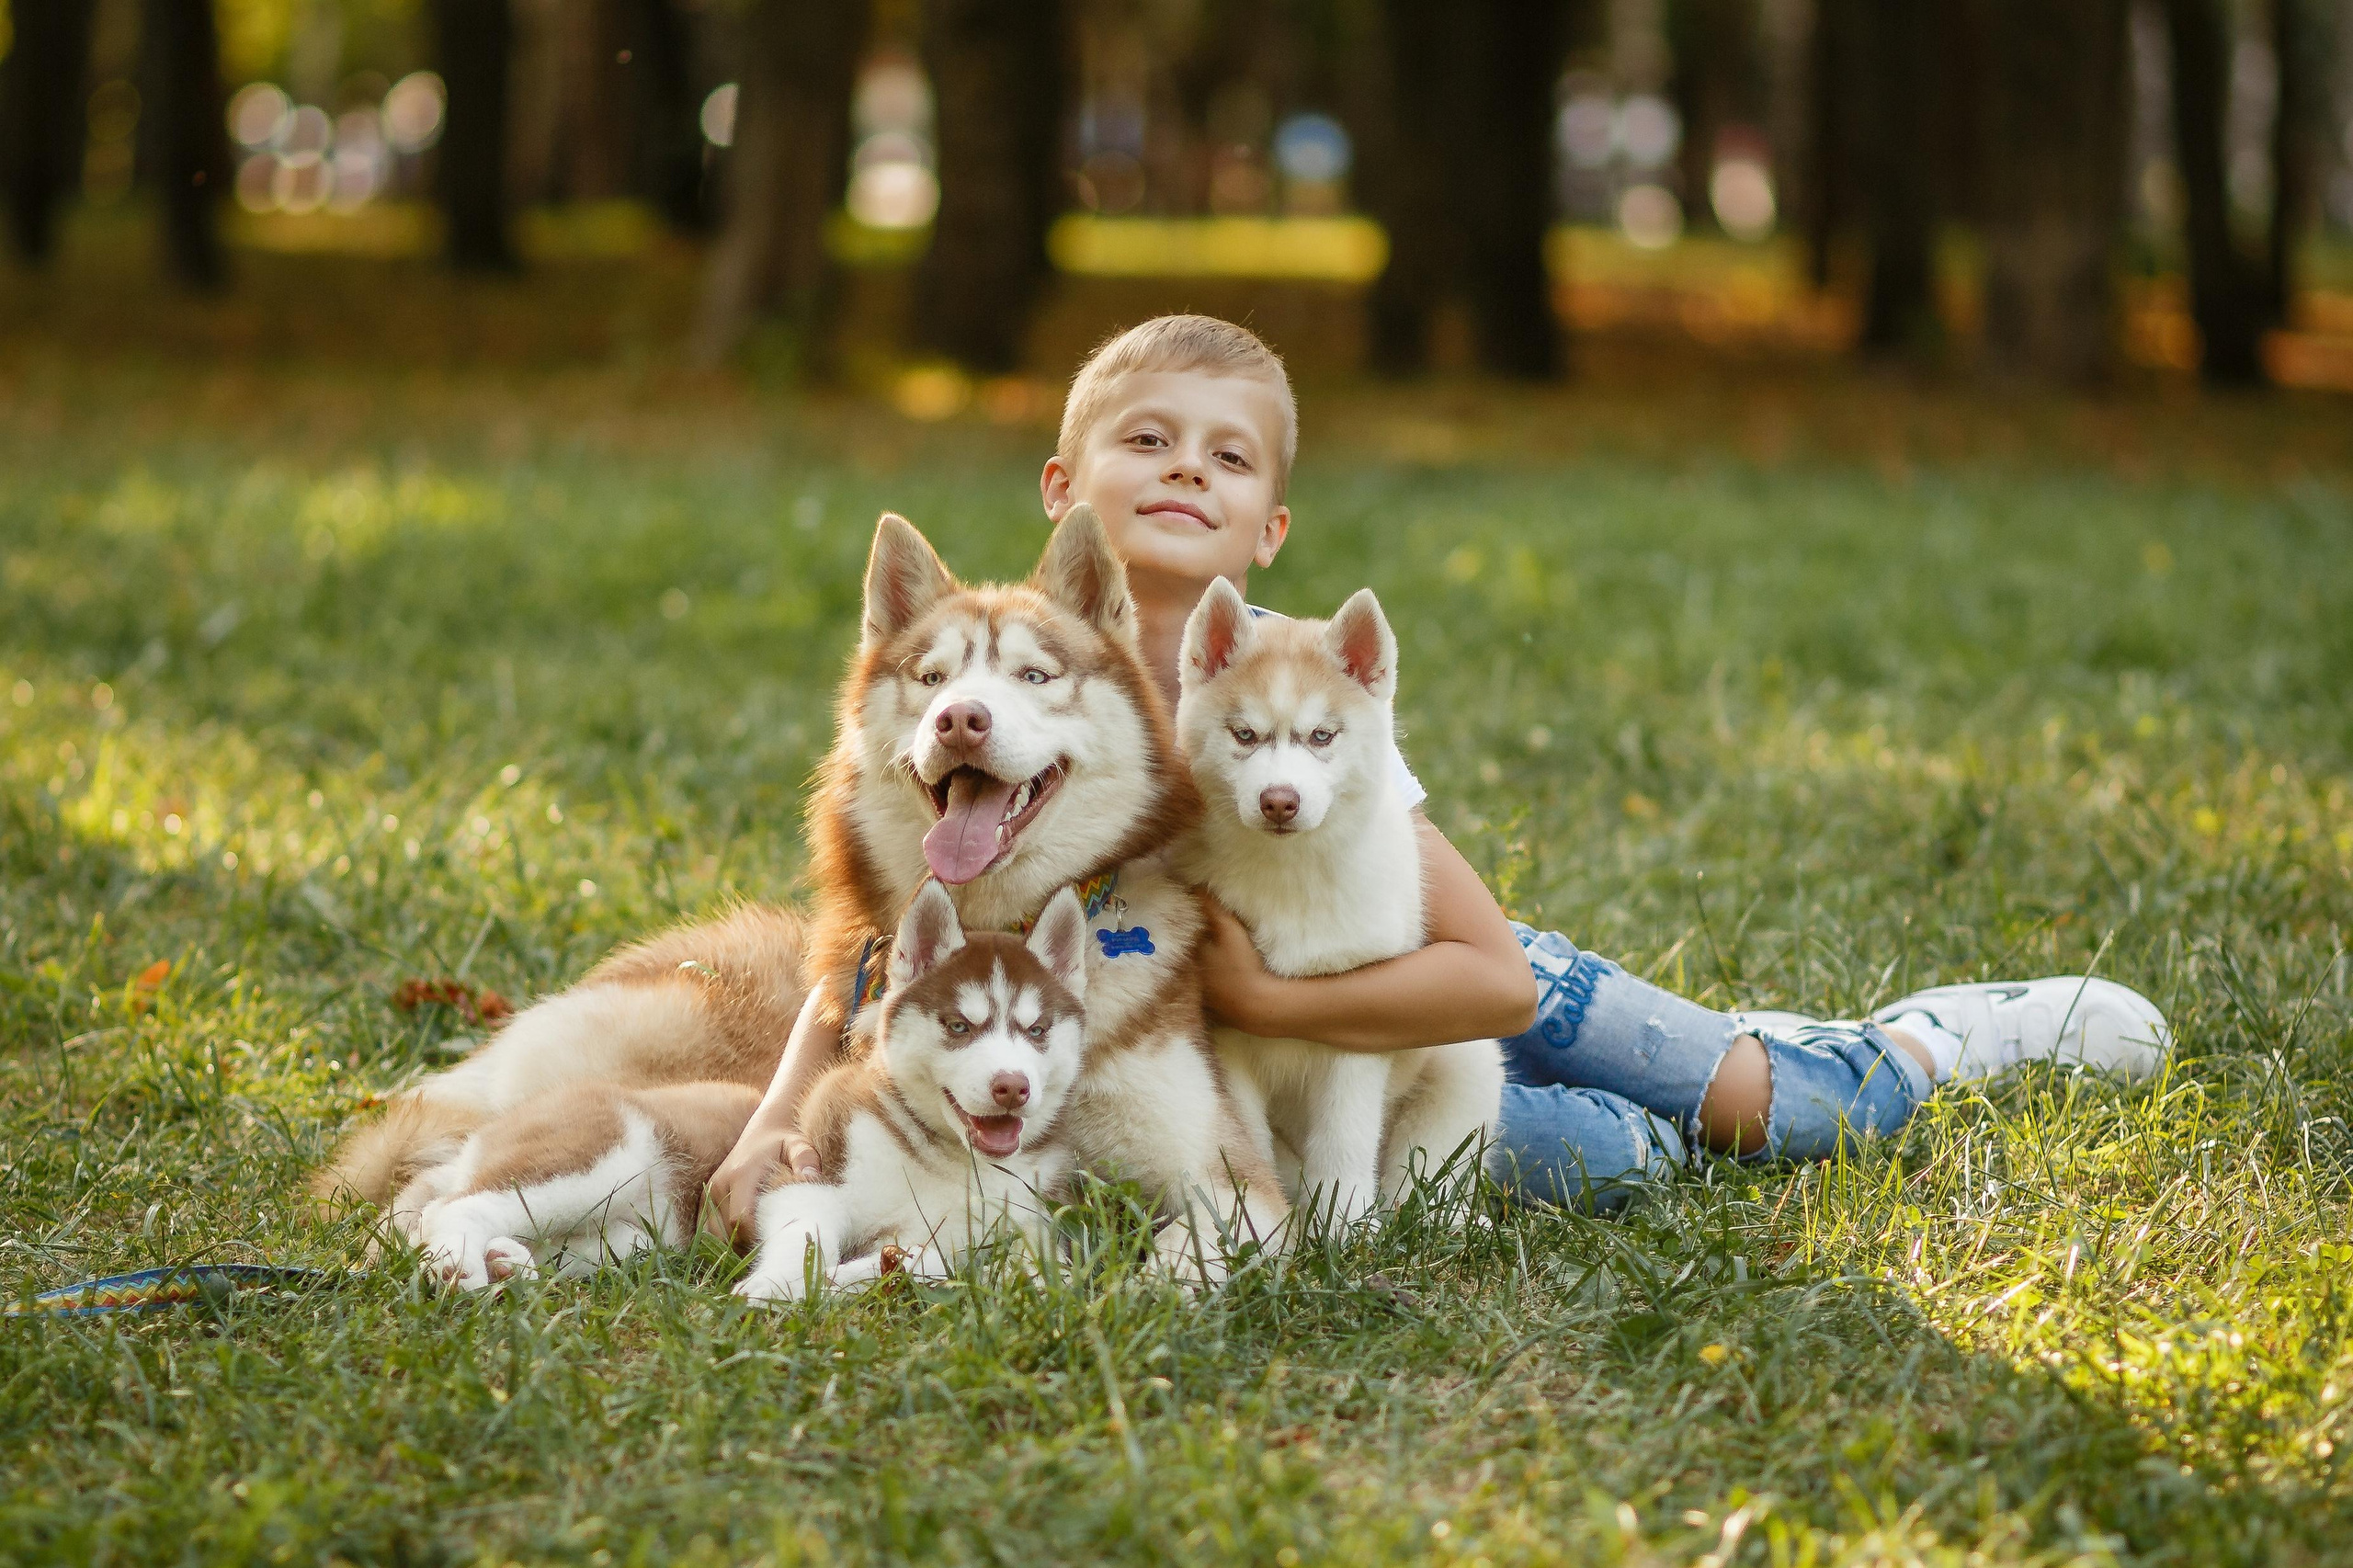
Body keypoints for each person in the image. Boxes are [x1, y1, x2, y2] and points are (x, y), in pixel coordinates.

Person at [708, 314, 2169, 1230]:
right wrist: (780, 1122)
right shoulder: (996, 681)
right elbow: (867, 948)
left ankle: (1909, 1041)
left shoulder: (1282, 683)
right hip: (1297, 1090)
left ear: (1270, 527)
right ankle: (1752, 1056)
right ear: (1059, 489)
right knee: (1622, 1170)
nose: (1183, 472)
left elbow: (1486, 972)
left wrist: (1267, 994)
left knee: (1780, 1120)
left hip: (1433, 974)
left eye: (1226, 458)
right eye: (1145, 439)